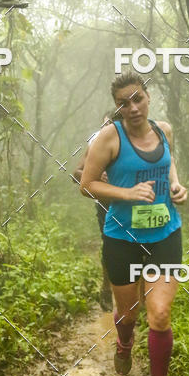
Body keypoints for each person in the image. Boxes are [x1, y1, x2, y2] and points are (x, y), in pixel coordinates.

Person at [79, 72, 188, 376]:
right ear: (117, 107)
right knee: (129, 313)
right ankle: (124, 342)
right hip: (122, 238)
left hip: (165, 234)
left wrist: (176, 187)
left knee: (159, 314)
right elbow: (86, 183)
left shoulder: (164, 130)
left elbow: (169, 165)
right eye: (124, 103)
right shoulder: (109, 138)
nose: (133, 107)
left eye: (137, 98)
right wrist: (126, 194)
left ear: (147, 96)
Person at [72, 111, 118, 311]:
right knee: (110, 245)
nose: (106, 129)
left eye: (111, 124)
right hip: (105, 203)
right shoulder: (96, 142)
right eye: (104, 125)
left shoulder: (134, 143)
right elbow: (76, 173)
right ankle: (106, 288)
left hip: (134, 204)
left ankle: (138, 298)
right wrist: (97, 175)